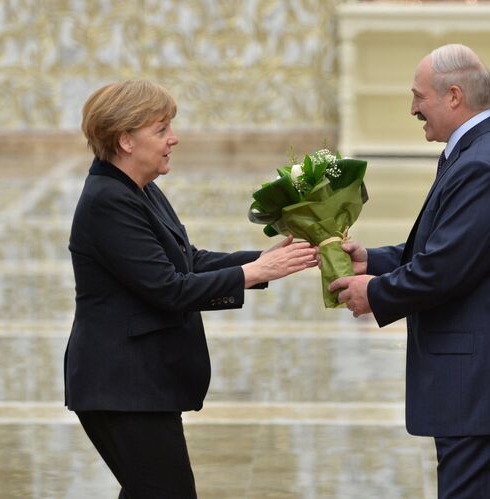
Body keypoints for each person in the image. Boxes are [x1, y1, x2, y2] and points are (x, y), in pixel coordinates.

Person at [329, 44, 490, 498]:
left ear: (454, 96)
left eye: (419, 97)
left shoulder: (485, 163)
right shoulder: (485, 149)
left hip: (489, 392)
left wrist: (375, 293)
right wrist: (373, 261)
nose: (413, 108)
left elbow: (443, 270)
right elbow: (450, 248)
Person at [64, 79, 318, 499]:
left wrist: (266, 261)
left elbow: (189, 260)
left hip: (139, 385)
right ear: (126, 139)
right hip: (121, 386)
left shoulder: (138, 189)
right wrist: (255, 272)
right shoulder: (109, 199)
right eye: (161, 129)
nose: (173, 139)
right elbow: (169, 288)